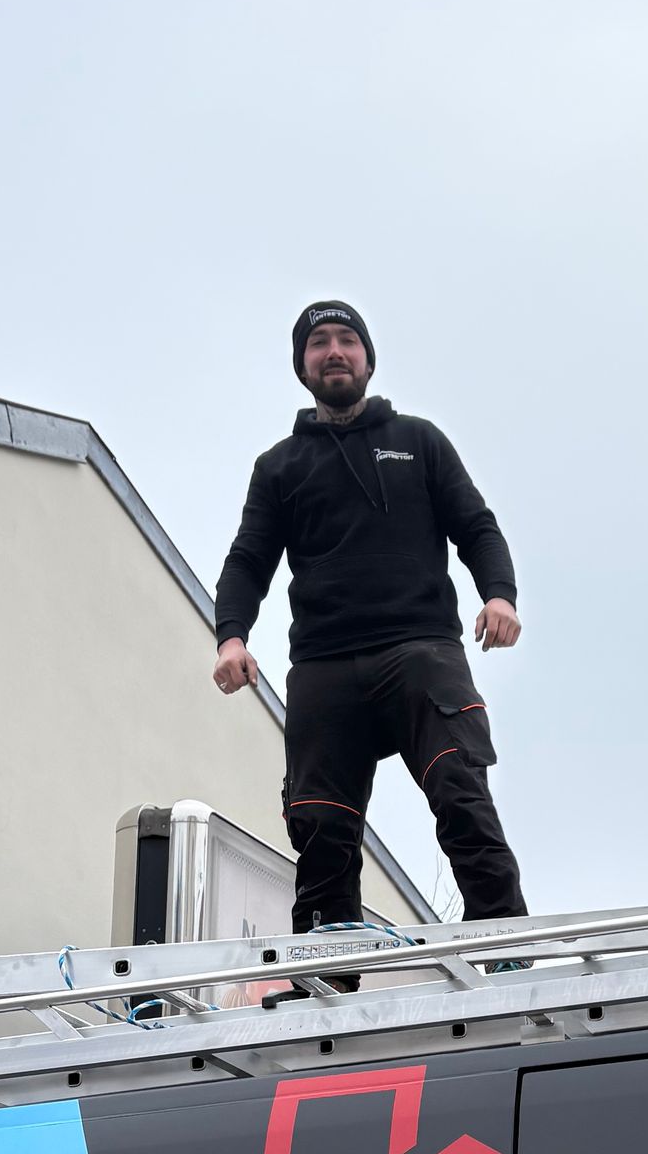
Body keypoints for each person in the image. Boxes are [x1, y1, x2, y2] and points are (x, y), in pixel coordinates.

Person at [212, 299, 528, 934]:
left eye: (346, 340)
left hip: (420, 650)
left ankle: (502, 935)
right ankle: (329, 964)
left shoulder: (418, 441)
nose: (334, 351)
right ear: (302, 365)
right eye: (319, 342)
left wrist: (499, 595)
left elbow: (476, 526)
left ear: (367, 358)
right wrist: (231, 637)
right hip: (325, 665)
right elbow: (248, 560)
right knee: (321, 824)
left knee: (460, 792)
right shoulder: (279, 467)